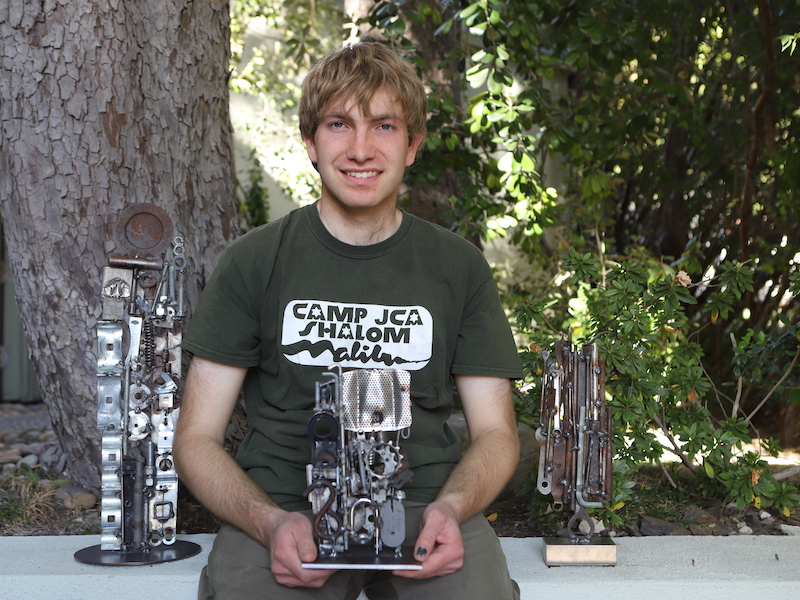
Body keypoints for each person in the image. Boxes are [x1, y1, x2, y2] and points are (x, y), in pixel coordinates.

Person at [173, 42, 522, 599]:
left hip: (422, 507)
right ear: (311, 143)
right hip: (286, 511)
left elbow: (497, 434)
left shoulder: (458, 268)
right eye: (340, 124)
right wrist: (268, 522)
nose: (361, 149)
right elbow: (195, 439)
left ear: (413, 146)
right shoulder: (253, 262)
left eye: (384, 126)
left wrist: (452, 509)